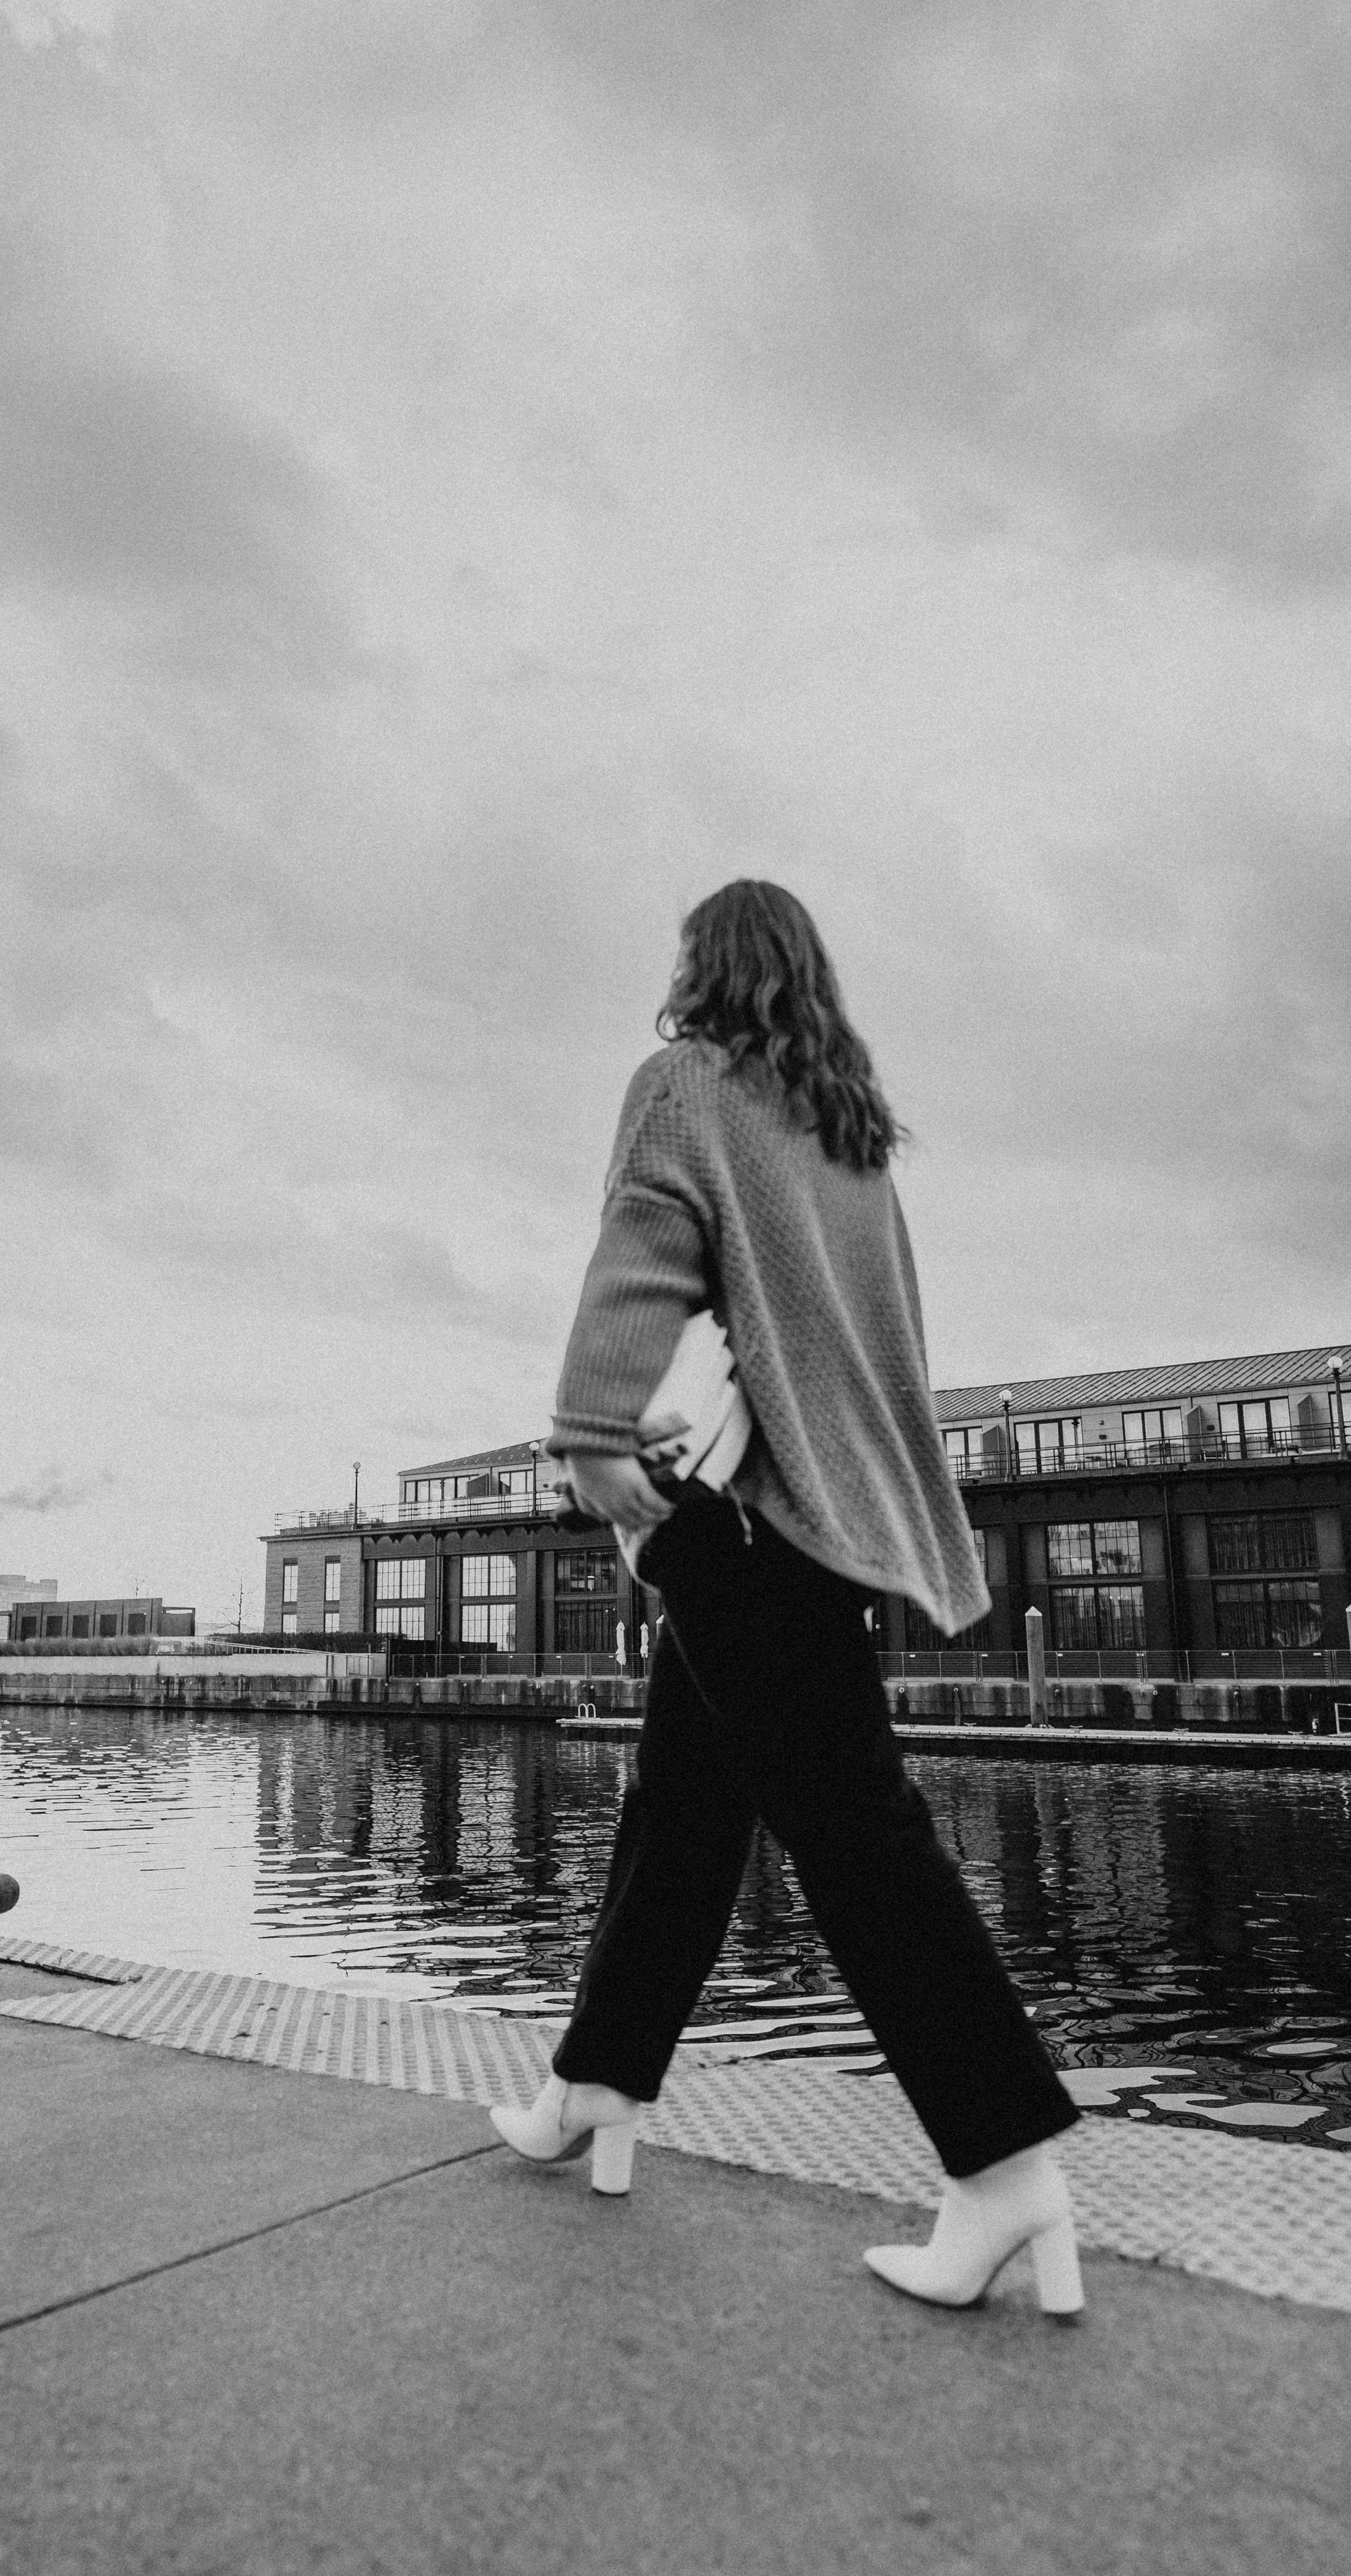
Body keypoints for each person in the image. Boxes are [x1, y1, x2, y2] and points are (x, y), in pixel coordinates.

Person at [490, 879, 1084, 2316]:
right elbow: (880, 1346)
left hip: (733, 1521)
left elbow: (639, 1256)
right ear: (809, 981)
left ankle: (1004, 2173)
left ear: (700, 971)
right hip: (822, 1520)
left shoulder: (681, 1087)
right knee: (683, 1807)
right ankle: (598, 2083)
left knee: (852, 1830)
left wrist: (585, 1433)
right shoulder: (850, 1137)